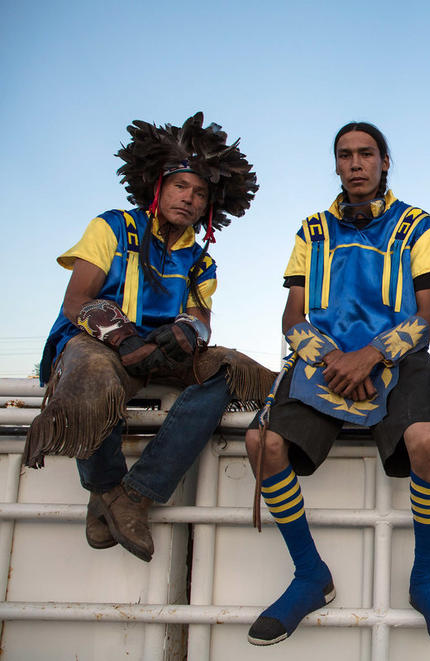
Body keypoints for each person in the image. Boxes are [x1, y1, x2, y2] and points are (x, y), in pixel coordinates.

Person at [244, 122, 430, 648]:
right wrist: (333, 361)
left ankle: (425, 578)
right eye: (345, 156)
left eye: (367, 154)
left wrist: (371, 355)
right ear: (336, 165)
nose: (356, 164)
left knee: (427, 443)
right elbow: (292, 316)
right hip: (326, 362)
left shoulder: (418, 224)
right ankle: (309, 576)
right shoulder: (311, 229)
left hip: (398, 357)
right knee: (262, 443)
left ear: (385, 162)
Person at [25, 112, 271, 562]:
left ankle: (134, 495)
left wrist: (186, 331)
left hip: (157, 349)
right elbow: (76, 302)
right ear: (158, 186)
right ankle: (105, 488)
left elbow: (202, 319)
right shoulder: (112, 226)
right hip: (98, 342)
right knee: (94, 372)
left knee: (224, 371)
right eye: (181, 186)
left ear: (207, 206)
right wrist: (121, 338)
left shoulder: (200, 261)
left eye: (200, 193)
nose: (190, 198)